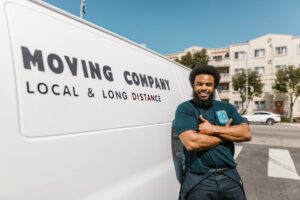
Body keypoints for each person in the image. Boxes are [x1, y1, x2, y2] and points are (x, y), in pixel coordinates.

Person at [174, 65, 252, 200]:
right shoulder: (185, 108)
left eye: (208, 84)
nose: (204, 88)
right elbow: (192, 143)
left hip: (229, 176)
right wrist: (226, 133)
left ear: (214, 87)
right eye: (199, 84)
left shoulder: (226, 107)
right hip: (200, 179)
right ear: (193, 86)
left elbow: (246, 133)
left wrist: (212, 129)